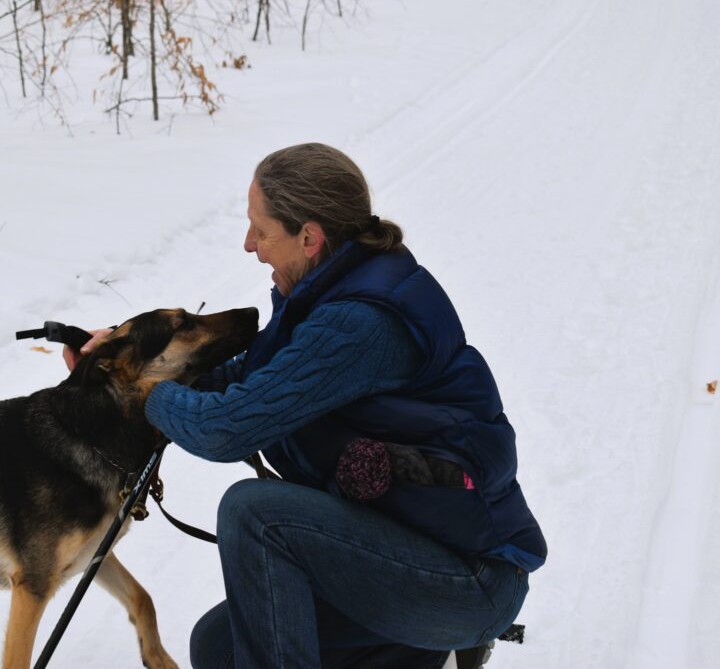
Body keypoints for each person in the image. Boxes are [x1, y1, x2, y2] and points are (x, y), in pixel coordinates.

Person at [66, 143, 546, 669]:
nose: (249, 244)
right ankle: (424, 652)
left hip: (463, 582)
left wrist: (141, 391)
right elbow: (236, 385)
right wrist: (124, 363)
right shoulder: (327, 297)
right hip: (402, 547)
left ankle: (441, 638)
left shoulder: (358, 324)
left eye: (260, 229)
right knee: (218, 647)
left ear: (310, 237)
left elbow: (226, 428)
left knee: (257, 514)